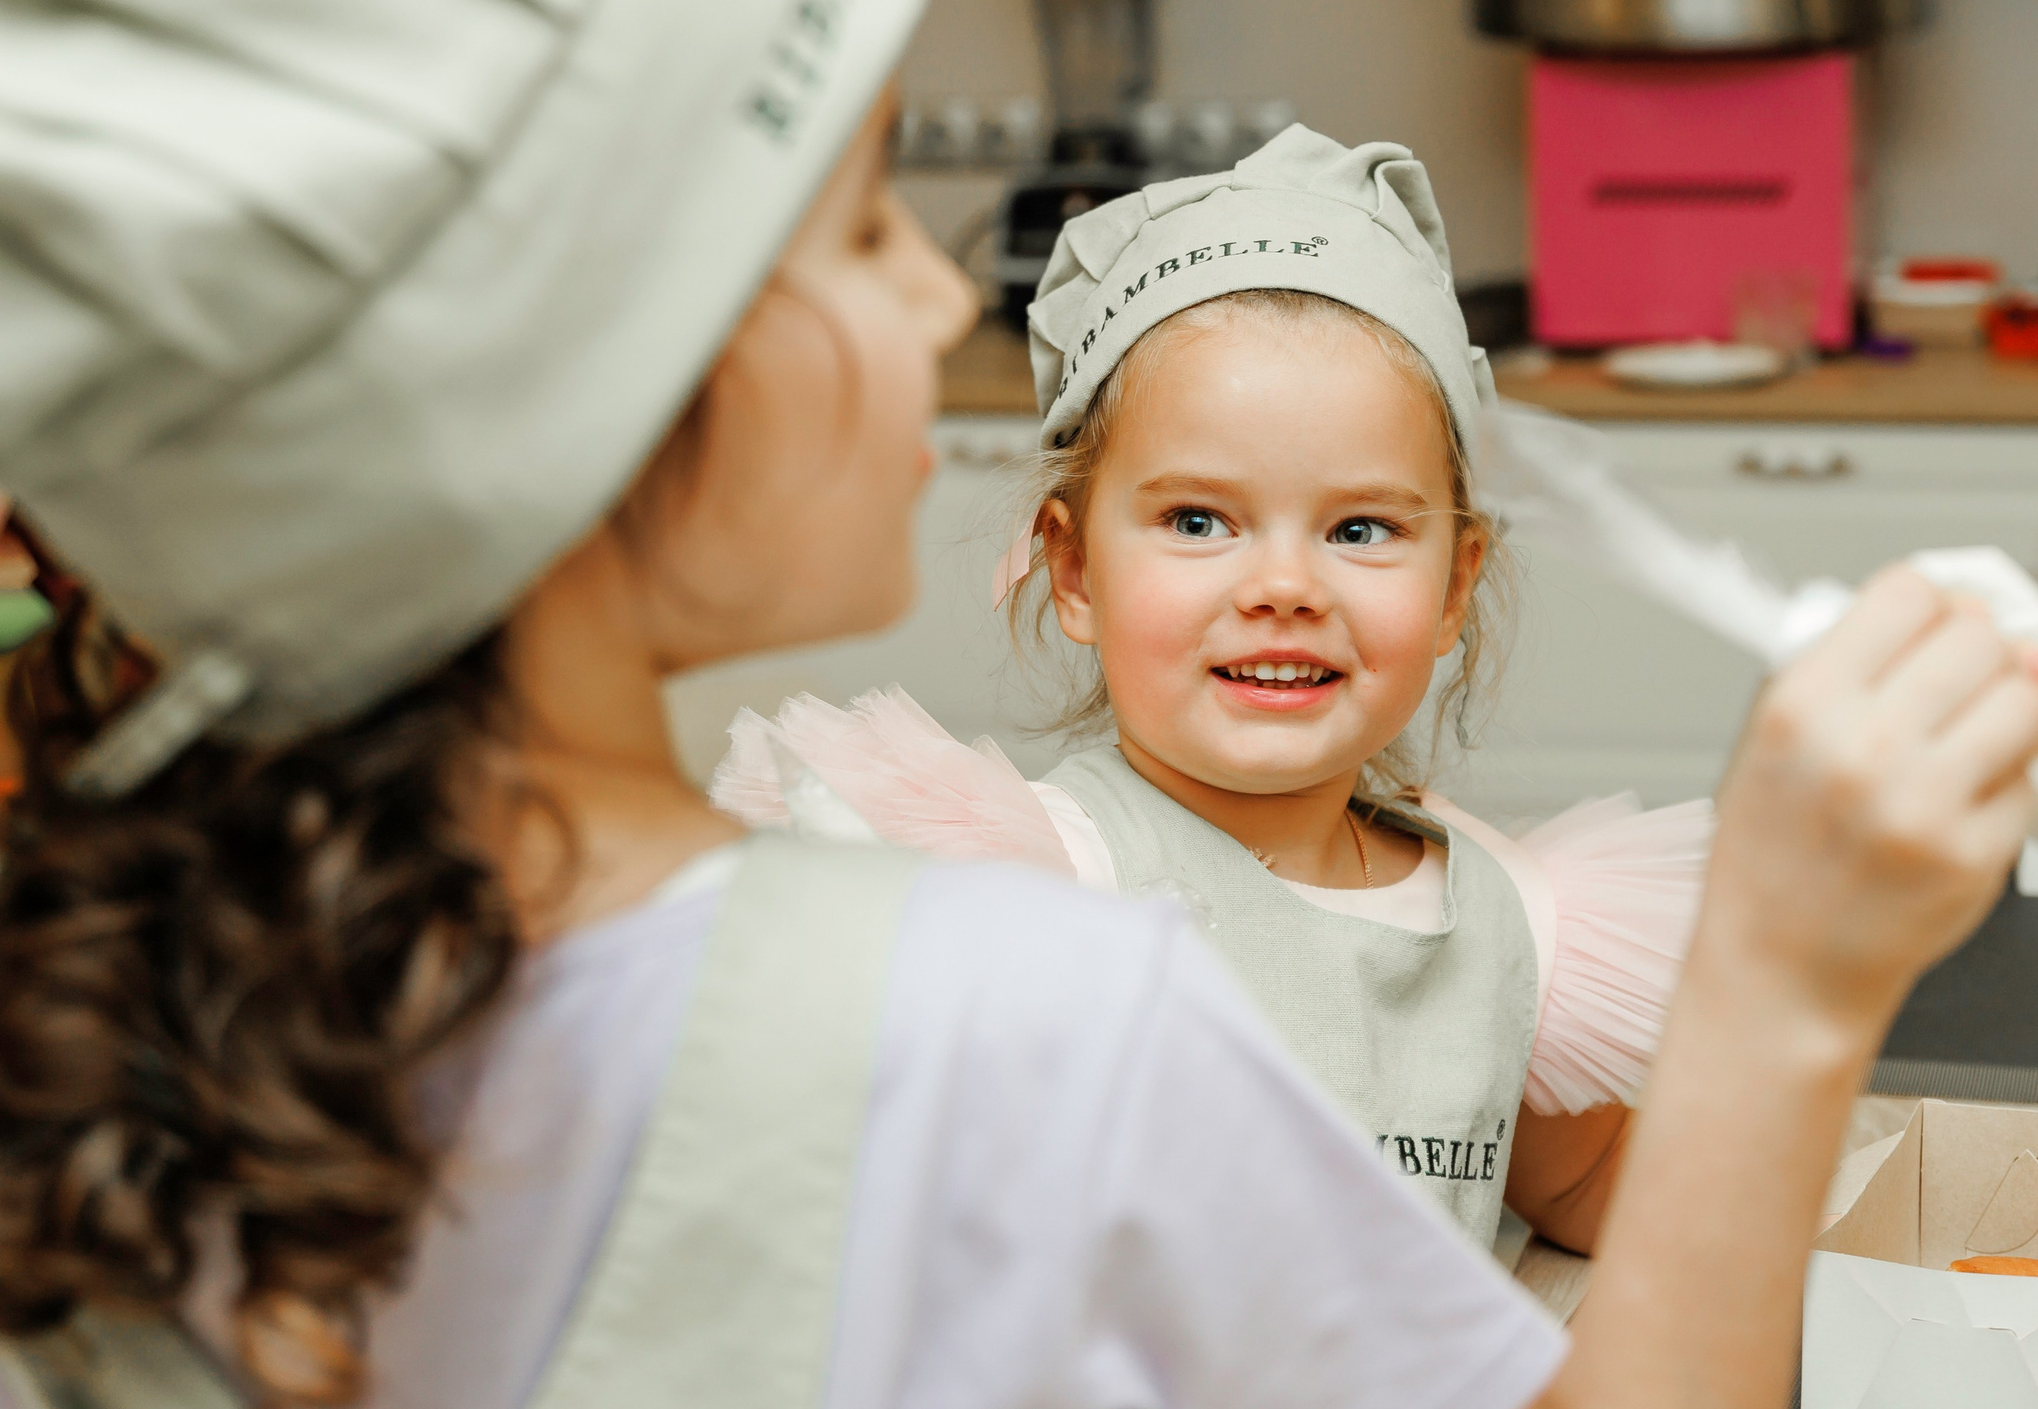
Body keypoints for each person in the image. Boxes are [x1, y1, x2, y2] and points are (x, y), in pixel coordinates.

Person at [0, 0, 2038, 1409]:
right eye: (850, 230)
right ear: (585, 372)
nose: (940, 297)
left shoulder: (16, 999)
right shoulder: (1025, 1033)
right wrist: (1785, 976)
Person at [716, 127, 1709, 1270]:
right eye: (1198, 522)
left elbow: (1594, 1189)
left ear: (1454, 586)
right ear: (1076, 566)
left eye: (1360, 529)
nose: (1284, 587)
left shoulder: (1504, 927)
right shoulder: (1034, 896)